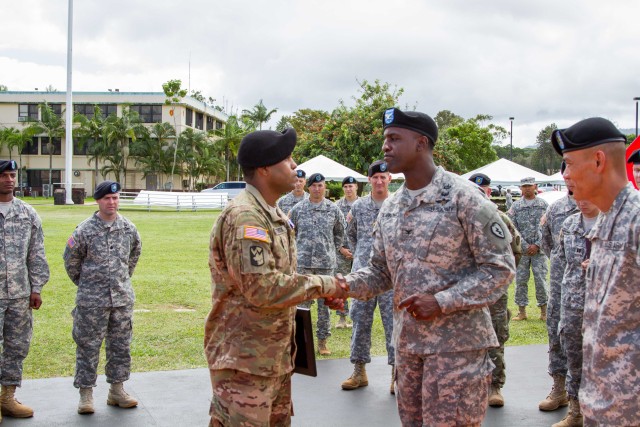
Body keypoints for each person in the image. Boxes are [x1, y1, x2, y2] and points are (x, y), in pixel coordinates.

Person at [342, 108, 515, 426]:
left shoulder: (464, 198)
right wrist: (343, 286)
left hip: (456, 351)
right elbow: (381, 271)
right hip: (408, 347)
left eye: (394, 139)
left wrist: (442, 301)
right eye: (385, 139)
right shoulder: (393, 206)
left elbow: (500, 270)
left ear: (421, 143)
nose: (385, 147)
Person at [204, 128, 346, 426]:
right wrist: (327, 284)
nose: (295, 165)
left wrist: (316, 291)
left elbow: (284, 278)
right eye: (287, 159)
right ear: (265, 169)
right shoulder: (246, 217)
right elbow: (264, 289)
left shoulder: (274, 213)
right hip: (245, 362)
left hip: (273, 357)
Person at [551, 117, 639, 426]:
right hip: (603, 401)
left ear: (598, 160)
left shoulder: (636, 221)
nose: (566, 176)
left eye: (570, 164)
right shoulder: (605, 222)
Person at [63, 181, 142, 415]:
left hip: (121, 300)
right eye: (107, 198)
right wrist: (88, 285)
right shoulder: (84, 230)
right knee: (88, 347)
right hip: (91, 302)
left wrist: (120, 282)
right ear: (98, 200)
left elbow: (134, 255)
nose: (112, 202)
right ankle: (86, 394)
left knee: (120, 347)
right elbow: (71, 261)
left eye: (115, 198)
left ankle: (117, 391)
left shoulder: (128, 228)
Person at [0, 159, 49, 420]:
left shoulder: (27, 214)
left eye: (12, 175)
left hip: (19, 295)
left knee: (16, 347)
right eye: (3, 175)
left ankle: (7, 397)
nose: (9, 179)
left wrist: (37, 287)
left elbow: (36, 254)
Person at [341, 161, 396, 394]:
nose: (379, 181)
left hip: (390, 276)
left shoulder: (398, 204)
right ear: (369, 180)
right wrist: (362, 255)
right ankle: (359, 371)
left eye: (383, 177)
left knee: (394, 325)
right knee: (360, 321)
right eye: (375, 178)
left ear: (390, 179)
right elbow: (349, 236)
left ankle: (397, 374)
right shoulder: (360, 206)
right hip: (363, 275)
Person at [469, 172, 522, 408]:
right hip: (466, 291)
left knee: (496, 336)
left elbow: (516, 250)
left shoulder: (498, 218)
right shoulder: (458, 219)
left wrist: (499, 281)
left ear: (489, 192)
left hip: (494, 292)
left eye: (484, 189)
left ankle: (494, 385)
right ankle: (469, 386)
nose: (479, 193)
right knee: (465, 337)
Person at [552, 199, 599, 427]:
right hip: (572, 301)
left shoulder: (615, 222)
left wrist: (602, 263)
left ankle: (600, 413)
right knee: (574, 355)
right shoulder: (569, 224)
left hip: (605, 303)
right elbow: (560, 262)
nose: (581, 199)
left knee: (603, 358)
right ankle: (575, 410)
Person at [290, 173, 345, 356]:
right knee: (301, 305)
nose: (317, 189)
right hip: (304, 265)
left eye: (320, 185)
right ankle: (299, 342)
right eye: (314, 186)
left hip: (326, 265)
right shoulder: (298, 209)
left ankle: (323, 341)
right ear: (308, 188)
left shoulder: (333, 209)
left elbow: (340, 233)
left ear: (325, 187)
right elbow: (291, 233)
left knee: (325, 306)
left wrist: (331, 250)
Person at [539, 172, 579, 412]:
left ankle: (580, 401)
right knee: (556, 334)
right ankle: (559, 389)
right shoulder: (556, 209)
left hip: (589, 289)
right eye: (566, 176)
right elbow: (547, 243)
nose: (570, 180)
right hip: (558, 285)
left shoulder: (602, 207)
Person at [508, 177, 549, 321]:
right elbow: (512, 228)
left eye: (529, 186)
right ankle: (522, 312)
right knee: (521, 280)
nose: (526, 189)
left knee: (541, 281)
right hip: (522, 251)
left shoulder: (544, 205)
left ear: (535, 186)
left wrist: (537, 244)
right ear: (520, 188)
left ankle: (544, 312)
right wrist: (525, 246)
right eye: (524, 186)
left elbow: (547, 227)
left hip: (539, 251)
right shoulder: (516, 207)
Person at [334, 176, 358, 329]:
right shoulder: (336, 206)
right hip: (341, 251)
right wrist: (341, 248)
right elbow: (333, 230)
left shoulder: (363, 204)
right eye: (346, 187)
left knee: (357, 285)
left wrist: (357, 251)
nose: (348, 189)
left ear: (356, 187)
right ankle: (342, 317)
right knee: (341, 285)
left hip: (359, 251)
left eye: (351, 186)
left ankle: (357, 317)